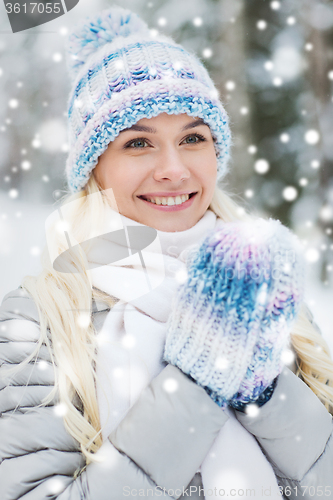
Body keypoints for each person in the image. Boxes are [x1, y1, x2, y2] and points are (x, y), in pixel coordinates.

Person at [0, 6, 333, 500]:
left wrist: (263, 388)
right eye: (139, 143)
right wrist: (197, 382)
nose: (174, 170)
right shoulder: (39, 320)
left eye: (193, 138)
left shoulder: (260, 286)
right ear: (94, 169)